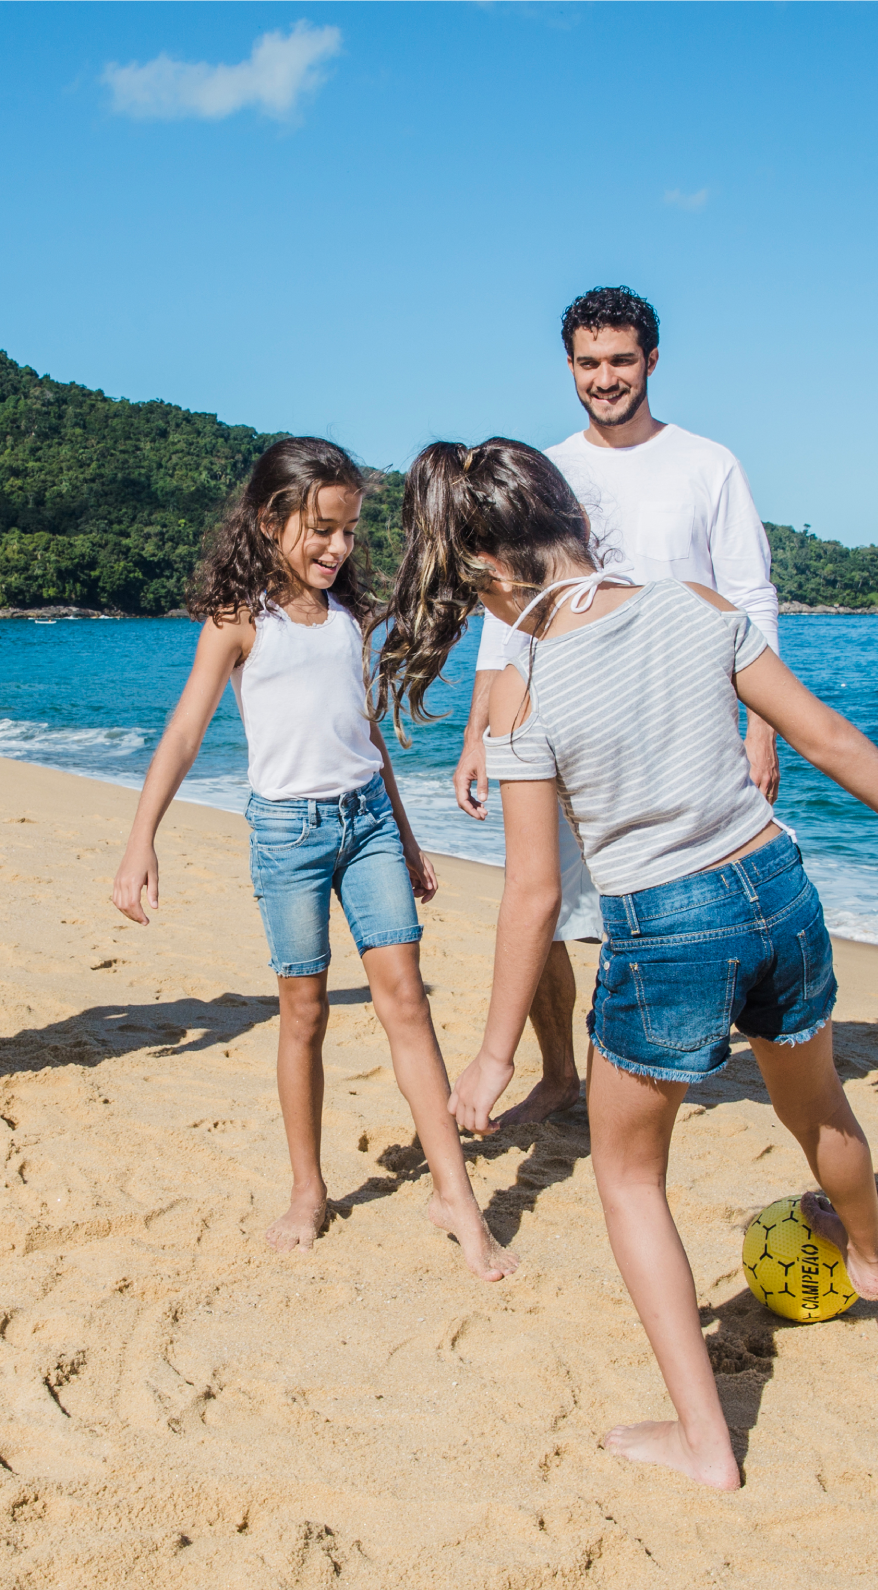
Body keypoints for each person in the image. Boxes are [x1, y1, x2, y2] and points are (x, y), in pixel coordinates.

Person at [374, 437, 878, 1488]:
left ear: (483, 567)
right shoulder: (693, 602)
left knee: (628, 1179)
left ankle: (705, 1443)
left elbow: (534, 893)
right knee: (817, 1107)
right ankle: (869, 1259)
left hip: (665, 925)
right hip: (778, 886)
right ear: (571, 514)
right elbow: (825, 737)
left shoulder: (524, 682)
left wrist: (492, 1056)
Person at [111, 438, 516, 1281]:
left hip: (367, 821)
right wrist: (141, 837)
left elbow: (365, 734)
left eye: (348, 532)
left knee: (406, 1000)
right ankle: (307, 1188)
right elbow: (186, 731)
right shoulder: (238, 621)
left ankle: (457, 1200)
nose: (337, 548)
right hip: (287, 838)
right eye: (321, 530)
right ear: (271, 521)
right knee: (304, 1015)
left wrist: (405, 838)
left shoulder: (349, 621)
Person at [454, 287, 782, 1128]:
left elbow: (749, 598)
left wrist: (763, 729)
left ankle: (646, 1063)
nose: (606, 378)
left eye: (622, 361)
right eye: (590, 363)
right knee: (543, 901)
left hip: (685, 725)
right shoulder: (551, 467)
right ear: (569, 366)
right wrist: (476, 732)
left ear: (652, 361)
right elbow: (510, 604)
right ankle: (561, 1074)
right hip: (559, 722)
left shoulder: (710, 464)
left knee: (656, 890)